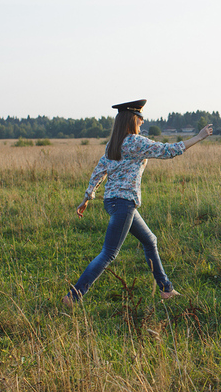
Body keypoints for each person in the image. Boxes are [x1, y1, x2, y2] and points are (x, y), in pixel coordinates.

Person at [64, 99, 212, 306]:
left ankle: (166, 289)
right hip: (124, 204)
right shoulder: (135, 142)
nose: (142, 122)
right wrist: (199, 137)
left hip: (113, 202)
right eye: (140, 119)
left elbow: (99, 171)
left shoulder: (113, 144)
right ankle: (74, 296)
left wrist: (87, 197)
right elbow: (169, 150)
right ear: (132, 119)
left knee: (150, 241)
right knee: (109, 253)